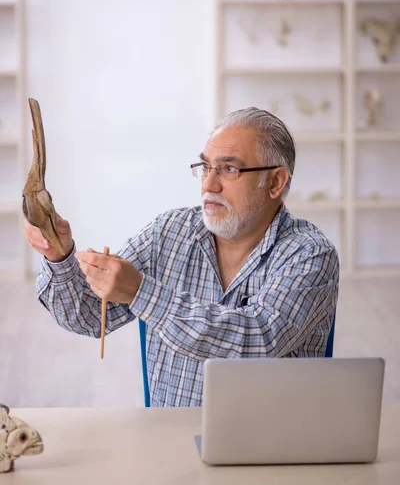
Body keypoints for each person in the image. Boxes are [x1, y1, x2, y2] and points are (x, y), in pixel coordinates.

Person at [24, 107, 339, 407]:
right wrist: (59, 256)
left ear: (275, 182)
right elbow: (90, 316)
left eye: (229, 169)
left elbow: (258, 340)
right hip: (168, 439)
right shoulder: (170, 232)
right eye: (205, 167)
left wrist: (141, 292)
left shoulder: (310, 255)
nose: (209, 184)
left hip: (268, 451)